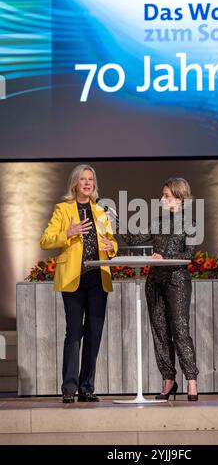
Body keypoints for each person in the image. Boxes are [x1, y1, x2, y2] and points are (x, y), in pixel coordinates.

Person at [40, 164, 118, 403]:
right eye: (83, 179)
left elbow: (112, 243)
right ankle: (69, 388)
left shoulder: (100, 212)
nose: (87, 183)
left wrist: (110, 247)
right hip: (73, 279)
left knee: (94, 334)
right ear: (75, 183)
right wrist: (69, 232)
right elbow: (45, 240)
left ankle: (87, 388)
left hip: (98, 280)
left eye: (90, 180)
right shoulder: (63, 210)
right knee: (74, 332)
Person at [123, 177, 199, 401]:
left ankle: (192, 380)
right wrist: (112, 224)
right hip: (155, 282)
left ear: (180, 198)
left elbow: (188, 255)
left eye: (166, 196)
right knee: (160, 334)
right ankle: (168, 380)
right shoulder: (157, 222)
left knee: (181, 331)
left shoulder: (191, 224)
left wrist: (164, 256)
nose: (161, 199)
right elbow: (133, 238)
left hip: (177, 282)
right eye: (162, 195)